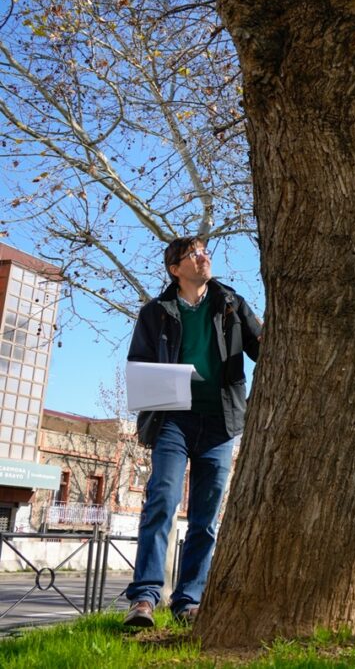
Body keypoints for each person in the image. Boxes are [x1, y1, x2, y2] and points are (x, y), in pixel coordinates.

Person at [123, 237, 262, 627]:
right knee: (162, 500)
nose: (203, 257)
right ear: (175, 269)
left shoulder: (231, 303)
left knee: (206, 516)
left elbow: (262, 348)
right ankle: (145, 598)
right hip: (173, 420)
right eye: (193, 254)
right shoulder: (155, 312)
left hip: (220, 423)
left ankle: (188, 600)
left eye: (204, 252)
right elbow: (139, 363)